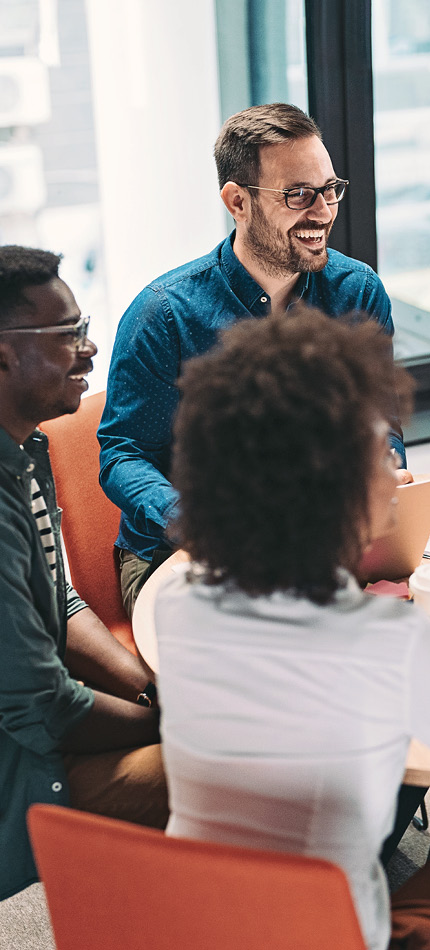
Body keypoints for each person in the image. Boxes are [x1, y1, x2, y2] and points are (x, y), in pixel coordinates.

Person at [154, 307, 430, 950]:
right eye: (379, 450)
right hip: (332, 936)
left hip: (193, 926)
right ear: (333, 486)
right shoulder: (389, 640)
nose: (396, 468)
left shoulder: (179, 601)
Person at [98, 102, 407, 617]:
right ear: (237, 202)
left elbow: (382, 425)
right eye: (298, 195)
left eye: (330, 189)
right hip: (181, 552)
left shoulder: (357, 292)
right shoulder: (165, 314)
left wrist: (384, 469)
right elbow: (122, 455)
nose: (324, 211)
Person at [0, 247, 167, 901]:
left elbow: (56, 600)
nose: (91, 349)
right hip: (25, 769)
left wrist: (147, 686)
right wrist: (173, 723)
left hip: (43, 723)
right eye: (68, 334)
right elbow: (45, 711)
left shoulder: (25, 444)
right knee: (255, 768)